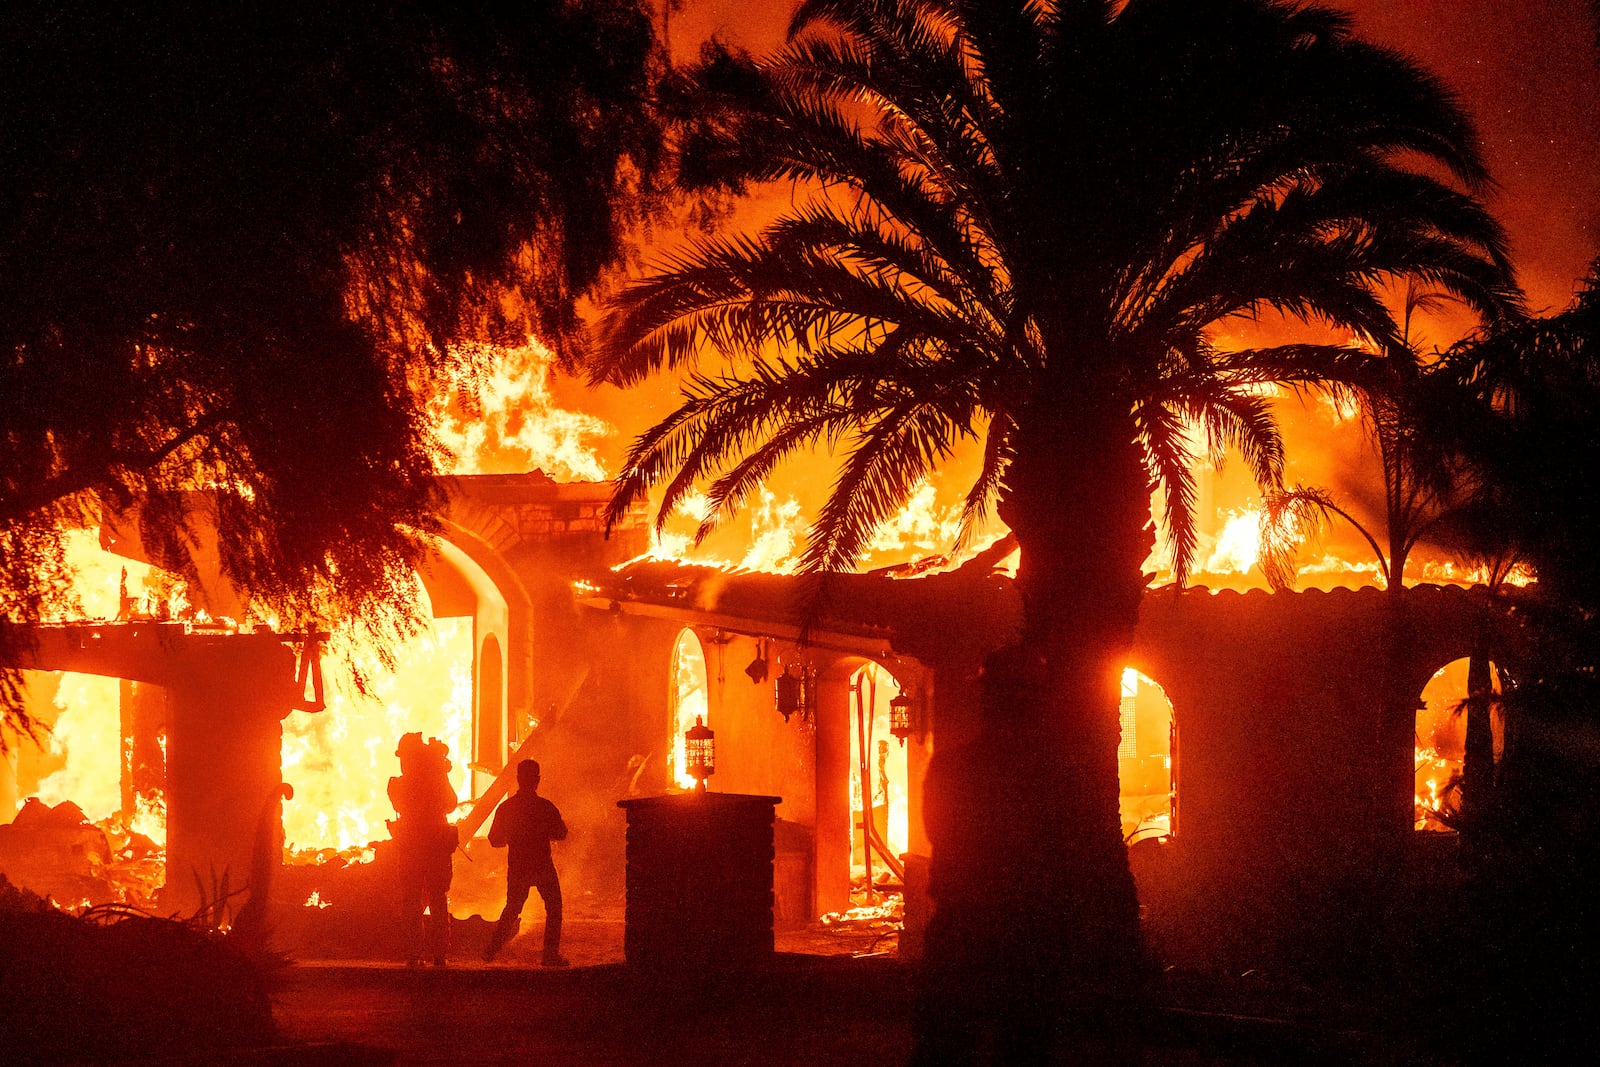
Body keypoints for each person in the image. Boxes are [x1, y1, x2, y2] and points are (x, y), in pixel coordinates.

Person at [482, 759, 569, 966]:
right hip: (542, 865)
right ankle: (549, 955)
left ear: (518, 779)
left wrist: (509, 838)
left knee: (512, 908)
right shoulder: (545, 807)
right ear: (537, 780)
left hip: (518, 866)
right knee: (554, 907)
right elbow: (561, 833)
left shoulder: (506, 808)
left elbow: (495, 840)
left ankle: (490, 950)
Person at [387, 732, 458, 967]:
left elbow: (399, 802)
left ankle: (414, 954)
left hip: (412, 847)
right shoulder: (435, 780)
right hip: (435, 845)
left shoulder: (400, 783)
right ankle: (439, 954)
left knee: (411, 900)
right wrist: (440, 772)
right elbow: (450, 803)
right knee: (437, 899)